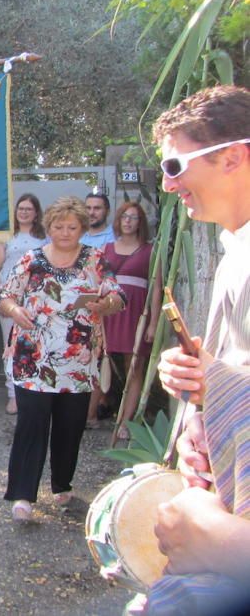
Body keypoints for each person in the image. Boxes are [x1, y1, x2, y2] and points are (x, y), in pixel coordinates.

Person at [140, 85, 250, 615]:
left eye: (176, 165)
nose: (167, 183)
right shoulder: (234, 253)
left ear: (233, 156)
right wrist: (199, 394)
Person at [0, 195, 125, 522]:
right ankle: (22, 494)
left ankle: (61, 484)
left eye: (72, 226)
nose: (65, 232)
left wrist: (105, 303)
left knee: (70, 427)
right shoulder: (31, 259)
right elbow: (4, 296)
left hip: (78, 363)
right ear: (48, 226)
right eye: (58, 226)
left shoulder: (96, 259)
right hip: (33, 359)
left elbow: (118, 295)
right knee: (31, 425)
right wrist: (15, 310)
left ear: (82, 228)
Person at [93, 201, 161, 439]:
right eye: (125, 217)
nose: (129, 221)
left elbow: (156, 289)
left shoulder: (150, 250)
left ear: (140, 222)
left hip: (136, 313)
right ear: (119, 220)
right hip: (109, 311)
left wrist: (153, 323)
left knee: (134, 367)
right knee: (97, 361)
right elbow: (96, 282)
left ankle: (125, 422)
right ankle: (88, 416)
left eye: (134, 217)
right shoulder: (107, 248)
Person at [0, 192, 48, 414]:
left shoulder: (44, 238)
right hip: (10, 299)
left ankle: (32, 392)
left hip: (35, 299)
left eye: (28, 209)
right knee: (11, 347)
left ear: (36, 213)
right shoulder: (6, 236)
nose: (24, 212)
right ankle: (13, 394)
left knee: (34, 346)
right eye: (20, 208)